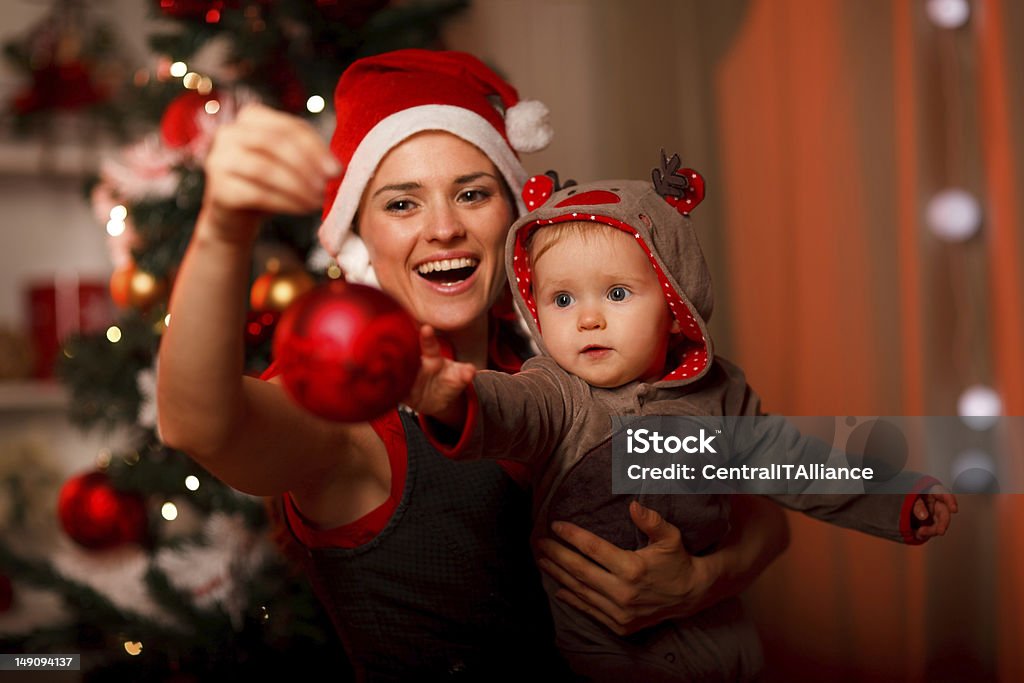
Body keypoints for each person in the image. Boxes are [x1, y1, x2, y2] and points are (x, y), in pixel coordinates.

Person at [156, 50, 790, 682]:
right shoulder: (353, 419)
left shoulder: (580, 363)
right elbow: (199, 425)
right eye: (402, 204)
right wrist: (222, 230)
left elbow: (765, 511)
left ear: (515, 217)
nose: (443, 229)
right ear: (359, 233)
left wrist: (701, 582)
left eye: (472, 193)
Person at [409, 161, 959, 681]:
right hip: (608, 654)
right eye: (561, 299)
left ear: (675, 308)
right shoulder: (557, 393)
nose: (588, 318)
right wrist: (451, 396)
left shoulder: (718, 396)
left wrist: (900, 498)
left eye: (617, 293)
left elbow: (800, 465)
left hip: (722, 636)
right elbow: (507, 407)